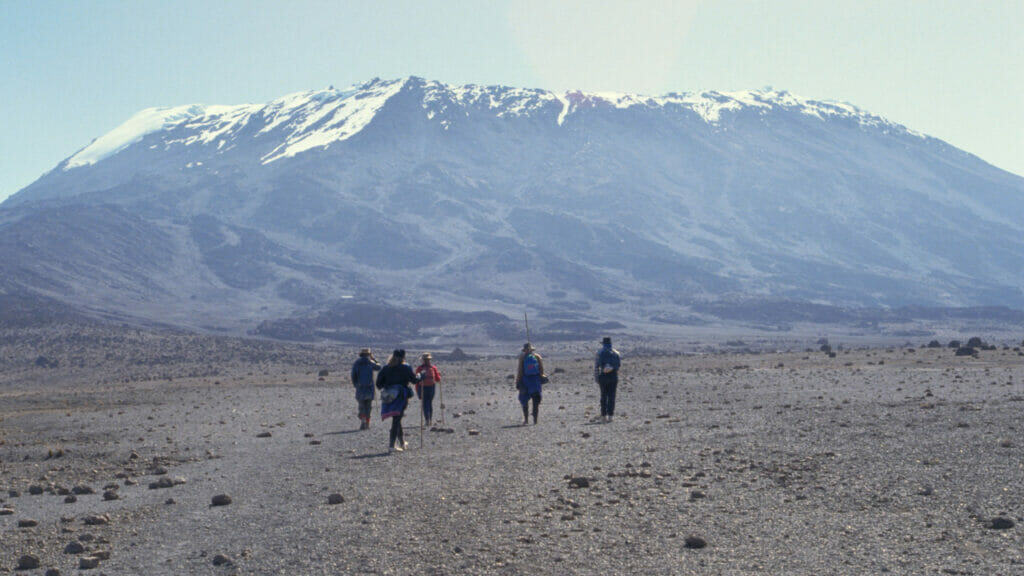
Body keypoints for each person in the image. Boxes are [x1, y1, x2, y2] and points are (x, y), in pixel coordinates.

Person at [376, 349, 420, 453]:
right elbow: (414, 380)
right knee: (397, 419)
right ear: (403, 357)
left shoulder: (386, 368)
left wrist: (388, 386)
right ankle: (392, 445)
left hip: (389, 397)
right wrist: (420, 376)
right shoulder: (406, 367)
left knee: (397, 418)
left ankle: (402, 442)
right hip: (401, 396)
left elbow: (378, 384)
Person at [350, 348, 381, 430]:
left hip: (360, 388)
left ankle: (363, 420)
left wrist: (356, 385)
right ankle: (367, 423)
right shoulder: (370, 363)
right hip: (369, 388)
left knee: (361, 406)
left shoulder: (357, 363)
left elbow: (353, 375)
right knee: (368, 406)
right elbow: (379, 367)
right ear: (368, 354)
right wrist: (374, 358)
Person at [515, 342, 546, 425]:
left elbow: (520, 370)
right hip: (535, 382)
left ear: (524, 350)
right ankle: (535, 420)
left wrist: (518, 381)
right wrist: (542, 377)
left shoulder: (522, 357)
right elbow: (541, 369)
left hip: (525, 381)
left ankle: (526, 420)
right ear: (532, 349)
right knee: (536, 401)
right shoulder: (537, 356)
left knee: (524, 400)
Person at [594, 336, 621, 423]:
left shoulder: (599, 353)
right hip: (613, 376)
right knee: (612, 396)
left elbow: (596, 367)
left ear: (603, 344)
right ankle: (611, 416)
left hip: (603, 377)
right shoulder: (616, 353)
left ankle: (603, 416)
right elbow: (618, 366)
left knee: (604, 396)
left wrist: (597, 378)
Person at [415, 353, 441, 427]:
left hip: (422, 387)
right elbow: (438, 379)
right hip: (431, 387)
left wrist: (417, 391)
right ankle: (430, 420)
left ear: (423, 360)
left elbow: (416, 380)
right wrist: (439, 375)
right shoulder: (433, 368)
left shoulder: (419, 368)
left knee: (424, 403)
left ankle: (427, 420)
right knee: (429, 403)